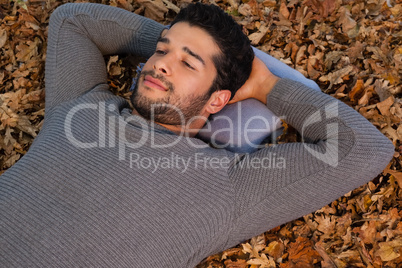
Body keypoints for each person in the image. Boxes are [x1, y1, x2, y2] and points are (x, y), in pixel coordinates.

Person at [0, 2, 394, 267]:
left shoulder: (229, 184)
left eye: (187, 63)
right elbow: (72, 19)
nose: (159, 66)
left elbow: (363, 148)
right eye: (160, 50)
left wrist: (266, 85)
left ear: (218, 99)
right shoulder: (81, 105)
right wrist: (185, 48)